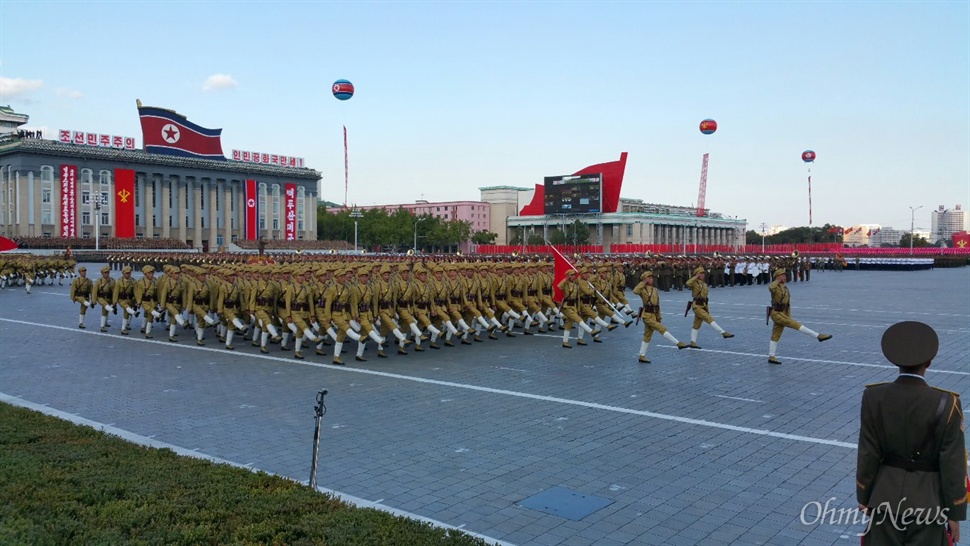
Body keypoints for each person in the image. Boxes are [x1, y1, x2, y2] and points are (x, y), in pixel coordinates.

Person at [856, 321, 966, 545]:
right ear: (929, 362)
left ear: (895, 361)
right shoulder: (947, 403)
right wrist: (955, 513)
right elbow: (952, 464)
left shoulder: (873, 397)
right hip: (929, 503)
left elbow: (868, 453)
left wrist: (865, 497)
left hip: (884, 498)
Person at [767, 267, 831, 365]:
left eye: (784, 275)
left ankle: (771, 356)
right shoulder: (775, 287)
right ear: (778, 277)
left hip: (783, 313)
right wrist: (777, 280)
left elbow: (787, 304)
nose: (785, 277)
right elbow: (770, 287)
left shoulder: (785, 287)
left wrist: (788, 315)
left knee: (776, 335)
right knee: (795, 324)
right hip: (776, 313)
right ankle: (817, 336)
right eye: (782, 276)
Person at [632, 270, 687, 363]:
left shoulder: (654, 290)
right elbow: (635, 291)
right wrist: (643, 282)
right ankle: (678, 343)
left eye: (651, 277)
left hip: (653, 314)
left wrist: (659, 317)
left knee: (647, 336)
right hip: (646, 315)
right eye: (649, 278)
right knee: (661, 328)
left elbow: (657, 305)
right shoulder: (642, 289)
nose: (651, 279)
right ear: (645, 279)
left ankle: (642, 355)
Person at [685, 266, 733, 348]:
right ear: (697, 274)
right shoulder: (694, 282)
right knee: (708, 318)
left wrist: (706, 308)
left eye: (703, 273)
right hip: (696, 305)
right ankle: (723, 332)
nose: (703, 275)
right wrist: (695, 277)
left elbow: (706, 298)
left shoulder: (705, 284)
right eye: (701, 273)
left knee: (696, 324)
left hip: (703, 305)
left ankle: (693, 342)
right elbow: (687, 283)